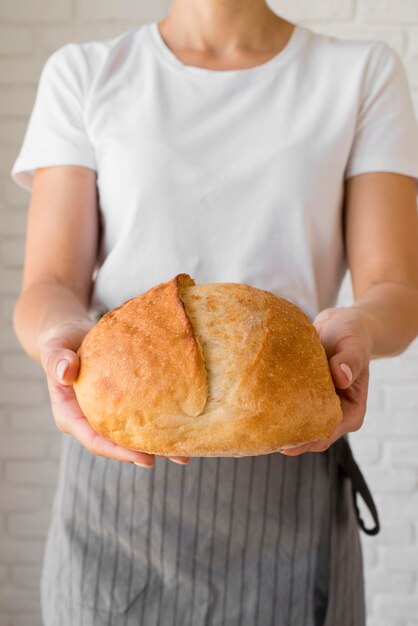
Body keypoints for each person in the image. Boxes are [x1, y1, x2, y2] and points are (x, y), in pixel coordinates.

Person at [10, 0, 418, 624]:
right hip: (119, 480)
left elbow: (394, 286)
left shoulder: (361, 72)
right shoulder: (87, 72)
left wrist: (360, 328)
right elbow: (49, 284)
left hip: (289, 467)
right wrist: (57, 339)